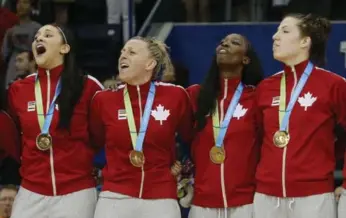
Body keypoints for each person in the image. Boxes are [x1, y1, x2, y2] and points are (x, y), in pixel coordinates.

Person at [90, 36, 193, 218]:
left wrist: (184, 171)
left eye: (131, 52)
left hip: (161, 198)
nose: (123, 56)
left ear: (150, 64)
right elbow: (92, 143)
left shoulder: (175, 96)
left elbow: (193, 139)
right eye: (122, 52)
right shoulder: (103, 100)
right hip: (115, 197)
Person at [254, 13, 346, 218]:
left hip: (314, 196)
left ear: (305, 41)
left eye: (285, 31)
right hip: (266, 196)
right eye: (277, 30)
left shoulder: (333, 85)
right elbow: (259, 139)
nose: (275, 37)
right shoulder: (265, 88)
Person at [7, 24, 103, 218]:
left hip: (76, 193)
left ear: (64, 48)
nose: (38, 39)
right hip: (30, 193)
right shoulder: (19, 89)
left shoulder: (88, 86)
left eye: (48, 35)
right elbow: (15, 137)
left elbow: (100, 136)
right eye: (36, 37)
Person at [186, 33, 264, 218]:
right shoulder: (195, 95)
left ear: (246, 59)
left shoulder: (256, 97)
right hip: (202, 205)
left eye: (234, 43)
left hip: (246, 204)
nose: (225, 44)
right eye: (222, 42)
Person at [2, 0, 41, 86]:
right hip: (13, 68)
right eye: (18, 3)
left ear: (31, 7)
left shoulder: (37, 28)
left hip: (31, 66)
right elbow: (4, 54)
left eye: (25, 2)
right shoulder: (11, 31)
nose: (20, 5)